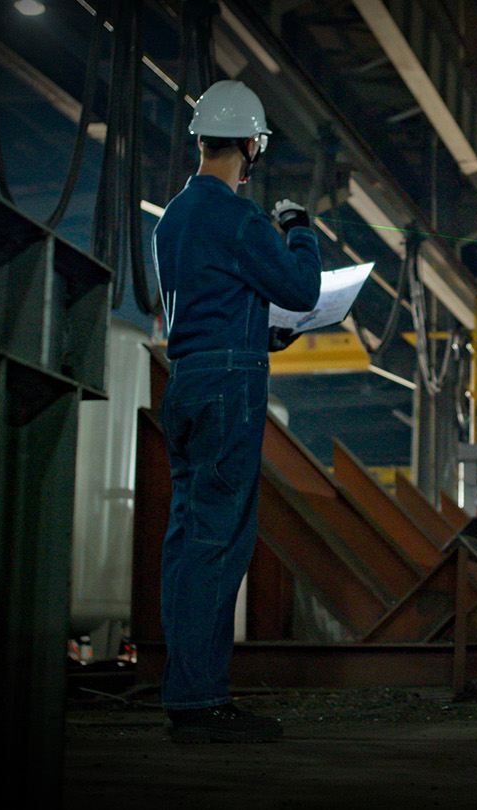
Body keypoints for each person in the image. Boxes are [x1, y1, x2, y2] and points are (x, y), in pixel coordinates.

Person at [151, 79, 322, 743]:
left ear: (201, 140)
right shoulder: (240, 217)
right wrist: (300, 231)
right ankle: (199, 703)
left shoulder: (171, 221)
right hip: (230, 388)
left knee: (190, 540)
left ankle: (189, 691)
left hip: (188, 379)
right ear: (252, 145)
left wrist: (262, 330)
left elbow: (204, 300)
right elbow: (302, 288)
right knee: (221, 542)